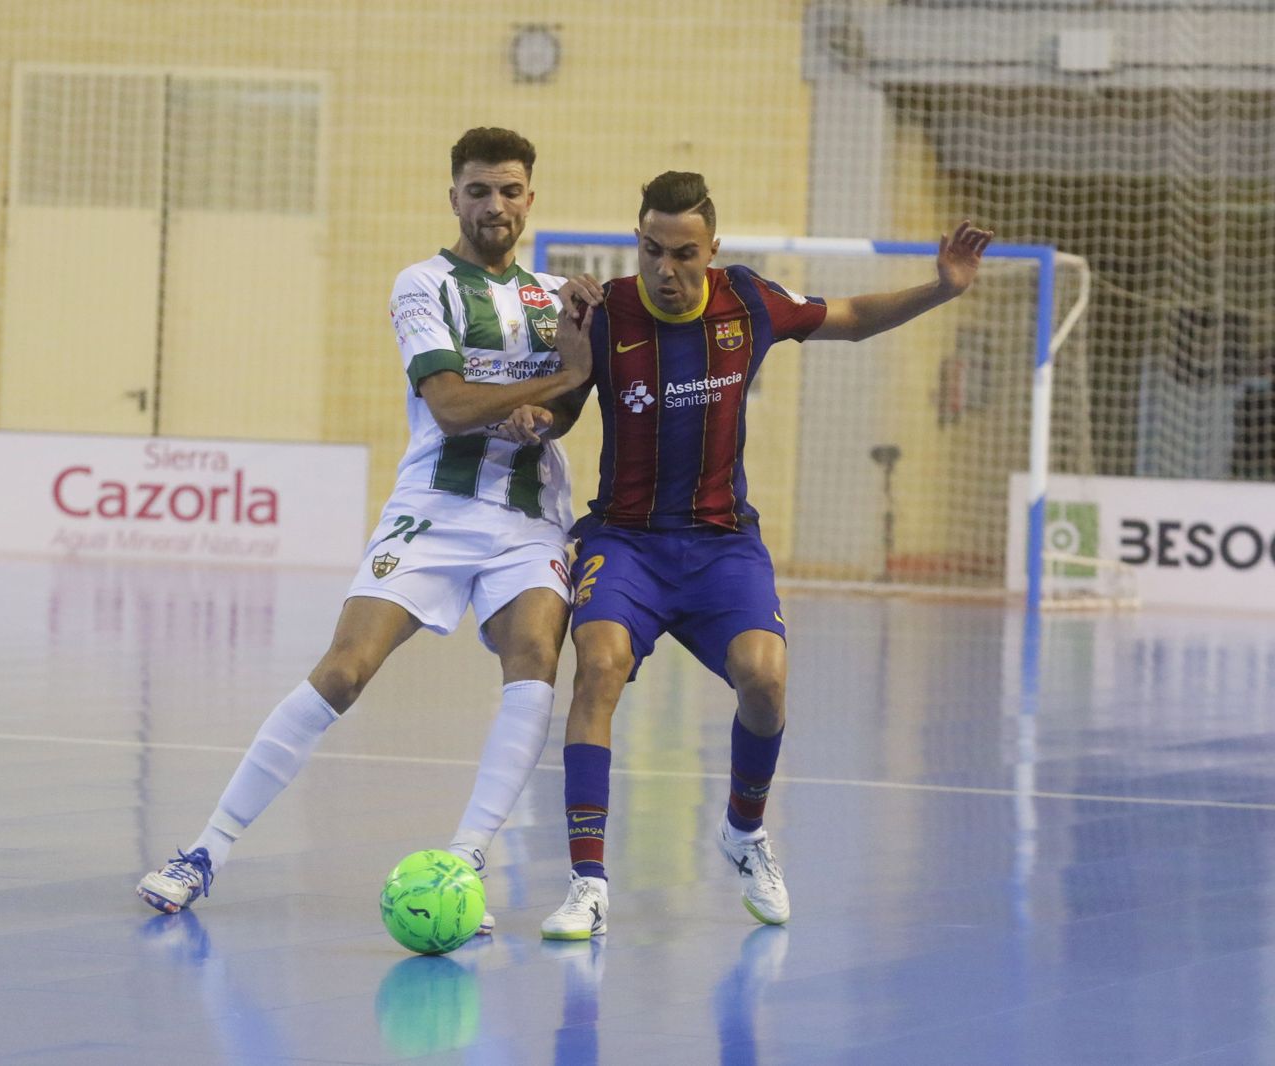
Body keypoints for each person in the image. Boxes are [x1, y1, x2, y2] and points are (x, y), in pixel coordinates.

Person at [136, 128, 593, 932]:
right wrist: (563, 375)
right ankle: (206, 849)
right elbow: (449, 406)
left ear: (531, 199)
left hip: (529, 518)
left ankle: (464, 860)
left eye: (510, 190)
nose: (495, 205)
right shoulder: (422, 284)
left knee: (534, 658)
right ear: (453, 197)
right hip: (433, 509)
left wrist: (550, 409)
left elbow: (567, 406)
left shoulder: (557, 297)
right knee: (345, 668)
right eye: (479, 191)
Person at [514, 172, 993, 938]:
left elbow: (851, 317)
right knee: (598, 668)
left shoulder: (748, 301)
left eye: (683, 254)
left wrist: (942, 288)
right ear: (637, 241)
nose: (665, 269)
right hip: (626, 540)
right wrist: (537, 417)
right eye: (651, 250)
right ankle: (588, 883)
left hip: (722, 543)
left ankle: (743, 830)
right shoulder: (605, 313)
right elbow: (566, 405)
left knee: (765, 681)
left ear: (713, 249)